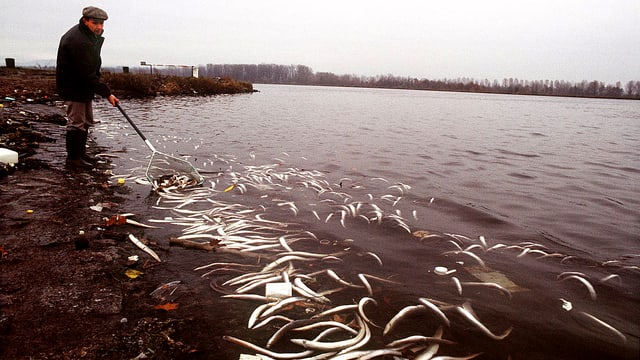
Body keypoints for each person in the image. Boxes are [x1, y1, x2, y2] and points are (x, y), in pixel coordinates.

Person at [56, 6, 119, 168]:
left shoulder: (88, 35)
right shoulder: (78, 41)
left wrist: (103, 91)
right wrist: (107, 94)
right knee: (76, 123)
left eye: (102, 24)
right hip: (74, 87)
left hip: (83, 86)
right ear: (85, 21)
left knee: (85, 122)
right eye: (95, 23)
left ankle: (81, 154)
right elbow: (86, 73)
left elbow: (91, 70)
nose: (99, 27)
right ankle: (73, 159)